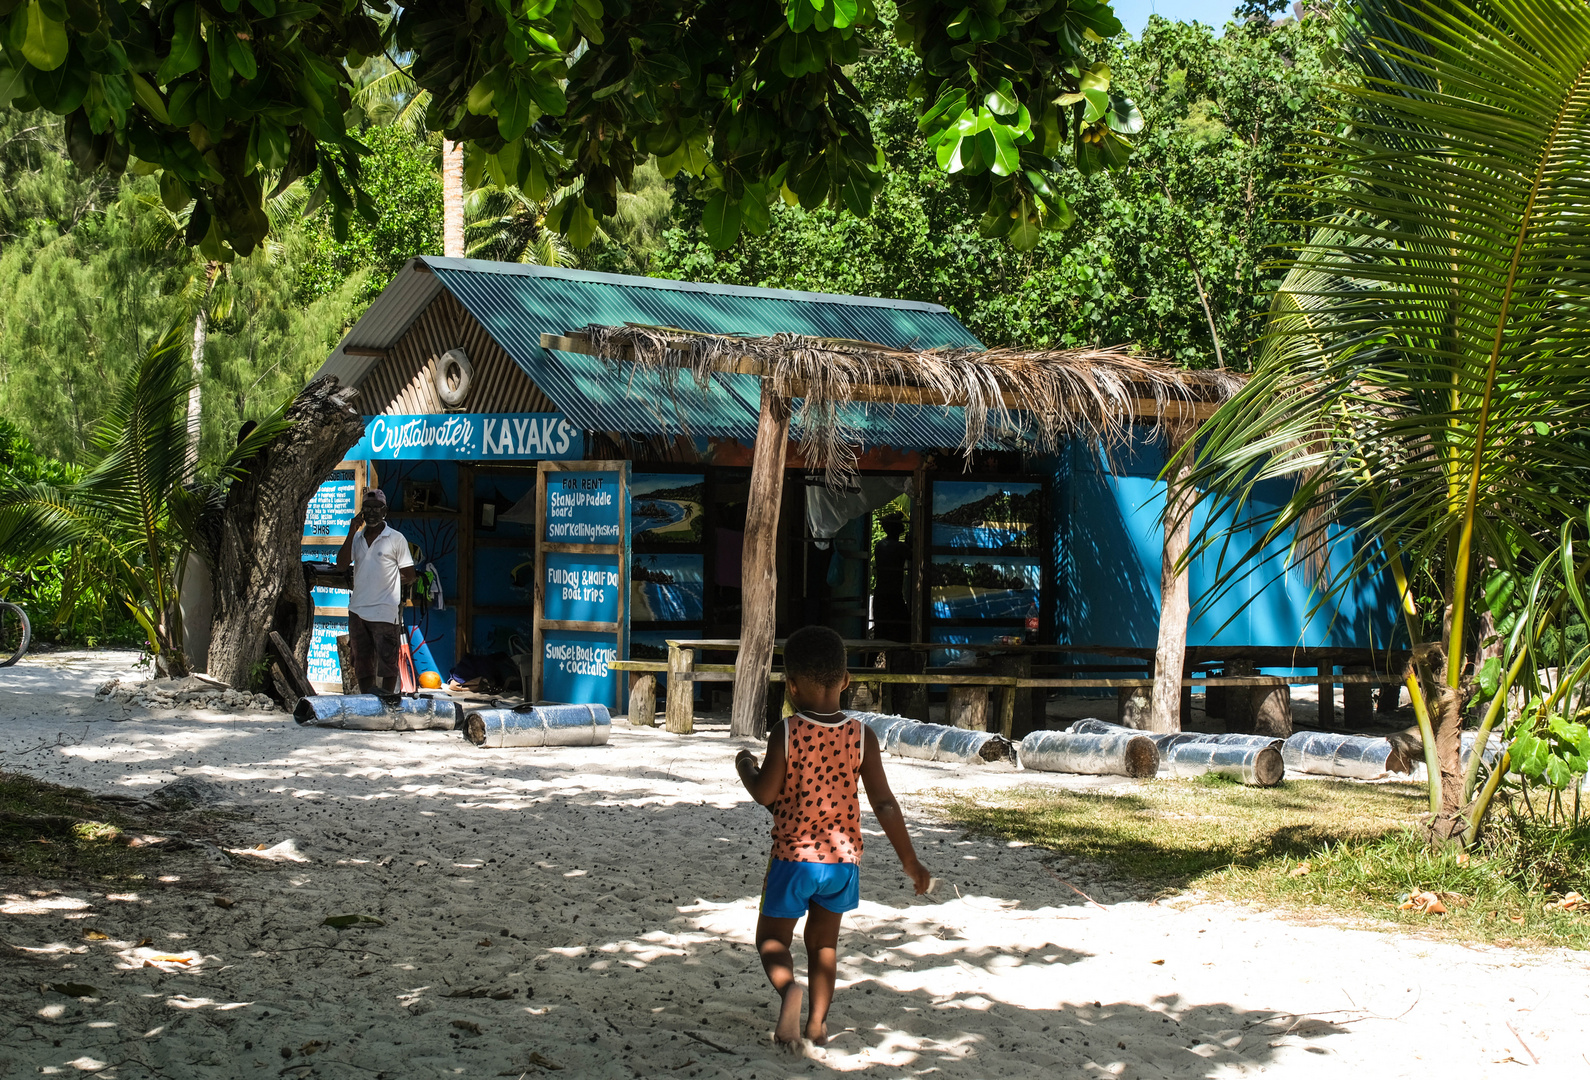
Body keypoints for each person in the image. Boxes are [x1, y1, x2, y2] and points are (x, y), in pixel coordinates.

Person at [734, 625, 932, 1049]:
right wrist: (910, 861)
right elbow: (884, 804)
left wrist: (745, 768)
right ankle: (818, 1025)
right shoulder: (863, 735)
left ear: (790, 686)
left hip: (793, 859)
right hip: (842, 863)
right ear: (846, 682)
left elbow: (766, 793)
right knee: (824, 945)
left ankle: (789, 991)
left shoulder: (788, 731)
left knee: (772, 939)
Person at [335, 489, 416, 696]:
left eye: (376, 508)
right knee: (361, 660)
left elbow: (409, 574)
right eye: (367, 508)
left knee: (387, 660)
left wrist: (387, 586)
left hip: (384, 611)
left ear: (384, 511)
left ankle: (387, 701)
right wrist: (352, 531)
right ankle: (367, 702)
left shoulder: (396, 539)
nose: (371, 513)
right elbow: (341, 565)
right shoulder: (357, 538)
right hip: (358, 609)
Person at [872, 512, 910, 644]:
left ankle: (868, 664)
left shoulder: (880, 545)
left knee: (880, 635)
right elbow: (912, 554)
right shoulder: (900, 547)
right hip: (893, 597)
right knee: (904, 634)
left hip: (881, 595)